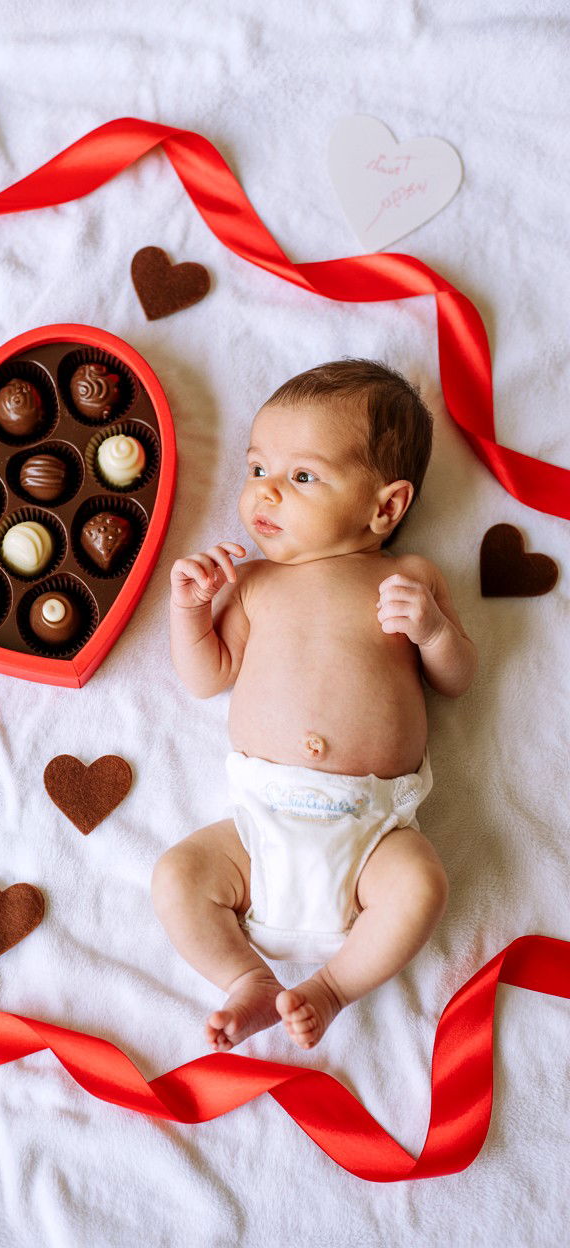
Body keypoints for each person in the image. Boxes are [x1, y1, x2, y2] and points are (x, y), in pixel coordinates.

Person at [152, 358, 478, 1052]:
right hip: (258, 827)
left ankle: (331, 988)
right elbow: (208, 676)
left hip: (371, 831)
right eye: (257, 467)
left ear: (385, 507)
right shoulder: (253, 582)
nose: (265, 490)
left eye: (302, 476)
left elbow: (457, 679)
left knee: (422, 885)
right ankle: (247, 979)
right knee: (177, 876)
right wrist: (189, 611)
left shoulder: (408, 578)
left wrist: (434, 633)